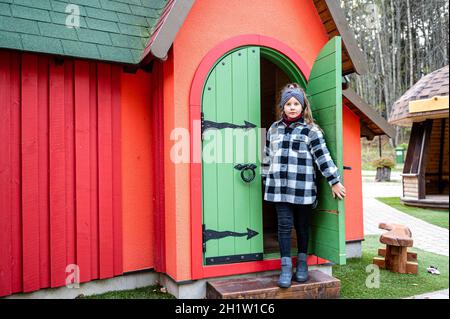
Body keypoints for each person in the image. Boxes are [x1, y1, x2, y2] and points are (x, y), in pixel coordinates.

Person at [261, 83, 346, 288]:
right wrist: (265, 179)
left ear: (303, 106)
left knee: (302, 226)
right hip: (279, 189)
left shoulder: (311, 131)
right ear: (282, 107)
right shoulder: (274, 129)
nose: (292, 107)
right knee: (283, 227)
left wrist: (334, 180)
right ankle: (285, 267)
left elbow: (322, 157)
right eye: (288, 103)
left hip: (303, 189)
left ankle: (301, 265)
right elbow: (266, 156)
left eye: (296, 103)